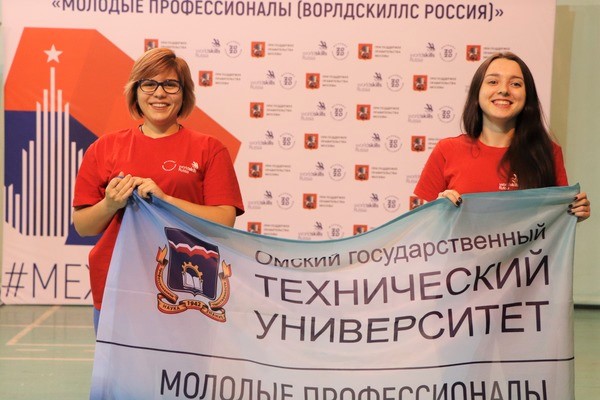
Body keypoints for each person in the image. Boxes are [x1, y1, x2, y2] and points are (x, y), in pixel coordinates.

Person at [72, 47, 245, 333]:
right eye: (149, 84)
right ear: (135, 91)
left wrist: (166, 200)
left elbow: (224, 221)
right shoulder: (104, 148)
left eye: (170, 84)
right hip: (119, 284)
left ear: (184, 93)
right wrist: (110, 204)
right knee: (122, 365)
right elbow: (84, 226)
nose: (159, 93)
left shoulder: (209, 149)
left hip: (187, 288)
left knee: (185, 363)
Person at [414, 52, 590, 222]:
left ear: (527, 96)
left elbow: (556, 218)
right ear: (477, 92)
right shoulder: (447, 151)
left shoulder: (547, 152)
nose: (504, 90)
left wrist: (574, 211)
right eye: (493, 81)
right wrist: (438, 209)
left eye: (515, 84)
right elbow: (421, 226)